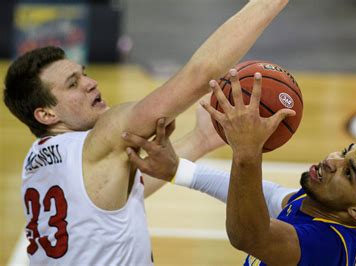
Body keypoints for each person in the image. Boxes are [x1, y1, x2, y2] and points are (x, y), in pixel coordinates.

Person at [3, 0, 291, 264]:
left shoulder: (39, 159)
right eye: (72, 84)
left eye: (84, 74)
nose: (90, 83)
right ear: (46, 114)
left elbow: (124, 190)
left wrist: (200, 139)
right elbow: (200, 76)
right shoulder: (106, 134)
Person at [122, 69, 356, 265]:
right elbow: (266, 196)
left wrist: (247, 151)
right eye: (344, 153)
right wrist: (178, 170)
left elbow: (248, 236)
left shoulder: (328, 245)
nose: (332, 161)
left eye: (348, 172)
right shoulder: (318, 203)